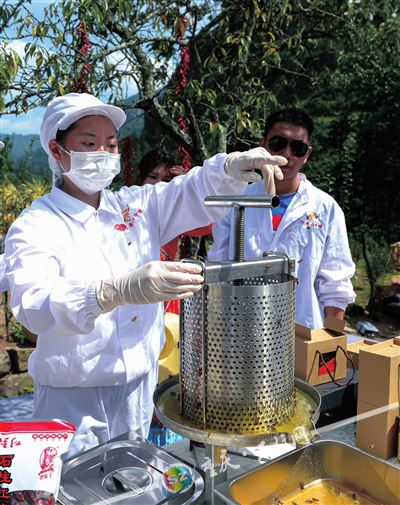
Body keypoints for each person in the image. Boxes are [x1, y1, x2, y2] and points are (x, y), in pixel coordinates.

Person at [3, 92, 285, 459]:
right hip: (73, 402)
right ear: (57, 152)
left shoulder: (132, 206)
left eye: (110, 144)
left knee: (132, 486)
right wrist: (111, 291)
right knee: (73, 492)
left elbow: (188, 191)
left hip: (138, 391)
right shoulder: (37, 224)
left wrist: (230, 168)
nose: (103, 154)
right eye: (89, 144)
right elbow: (32, 306)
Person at [209, 108, 356, 329]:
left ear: (307, 154)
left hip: (302, 331)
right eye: (278, 143)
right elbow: (218, 270)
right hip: (242, 331)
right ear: (263, 145)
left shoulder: (326, 208)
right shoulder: (236, 201)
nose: (287, 154)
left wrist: (330, 345)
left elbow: (336, 284)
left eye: (297, 147)